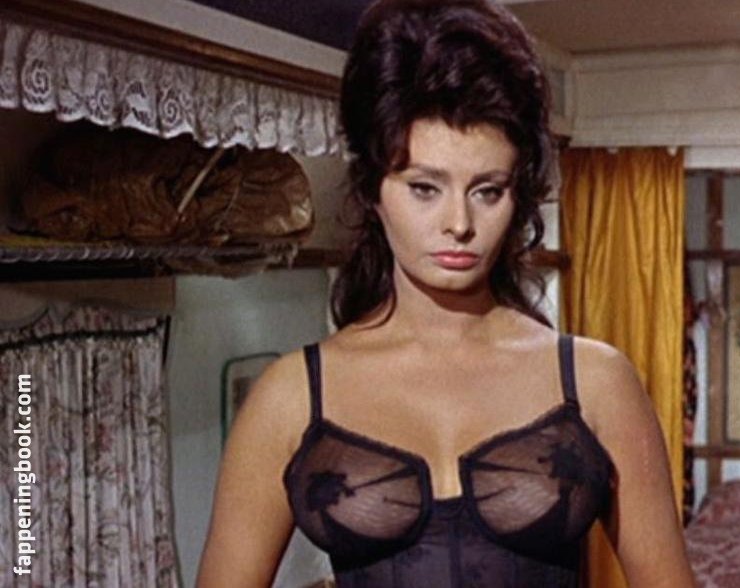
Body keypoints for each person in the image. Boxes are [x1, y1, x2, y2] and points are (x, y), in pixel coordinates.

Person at [197, 0, 695, 586]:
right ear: (373, 190)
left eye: (487, 191)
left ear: (518, 195)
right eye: (425, 188)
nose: (459, 223)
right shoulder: (290, 398)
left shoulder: (595, 383)